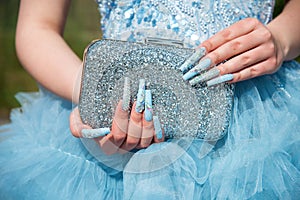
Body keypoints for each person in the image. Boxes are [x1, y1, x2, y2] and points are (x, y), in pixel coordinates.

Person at [0, 0, 300, 199]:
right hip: (115, 110)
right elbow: (37, 27)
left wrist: (282, 38)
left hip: (252, 121)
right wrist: (96, 94)